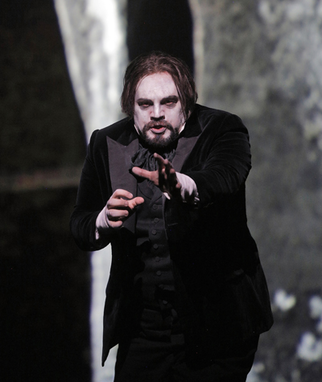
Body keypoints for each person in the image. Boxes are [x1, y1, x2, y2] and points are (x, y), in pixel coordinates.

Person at [70, 52, 273, 381]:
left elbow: (225, 177)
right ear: (131, 107)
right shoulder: (104, 142)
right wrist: (103, 220)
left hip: (218, 327)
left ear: (187, 104)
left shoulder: (222, 129)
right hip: (144, 330)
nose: (157, 114)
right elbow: (80, 223)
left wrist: (182, 185)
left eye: (168, 102)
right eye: (145, 104)